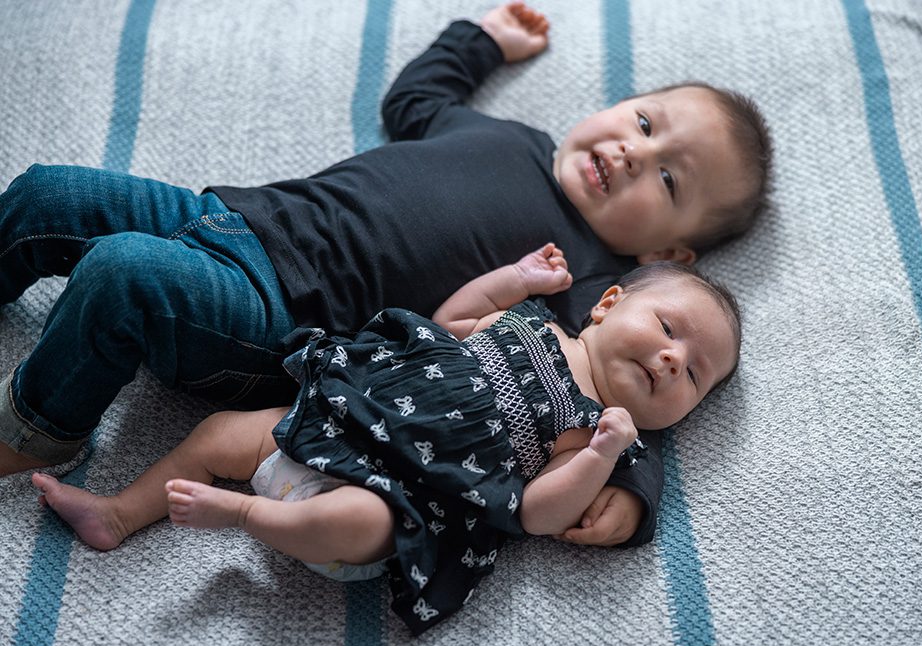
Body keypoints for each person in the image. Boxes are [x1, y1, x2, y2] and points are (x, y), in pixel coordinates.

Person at [0, 2, 771, 546]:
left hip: (279, 314)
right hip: (242, 216)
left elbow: (629, 392)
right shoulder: (508, 134)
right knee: (45, 194)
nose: (636, 153)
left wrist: (633, 494)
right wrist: (480, 41)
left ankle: (42, 424)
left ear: (666, 256)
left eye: (670, 181)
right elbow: (415, 101)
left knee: (122, 273)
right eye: (644, 121)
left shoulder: (588, 280)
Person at [30, 243, 742, 634]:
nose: (675, 360)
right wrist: (512, 279)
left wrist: (602, 455)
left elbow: (535, 512)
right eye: (670, 329)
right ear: (608, 305)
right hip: (344, 424)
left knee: (362, 520)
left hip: (399, 498)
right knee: (221, 434)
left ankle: (245, 514)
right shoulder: (535, 321)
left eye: (697, 376)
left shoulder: (596, 430)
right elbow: (449, 319)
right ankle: (119, 512)